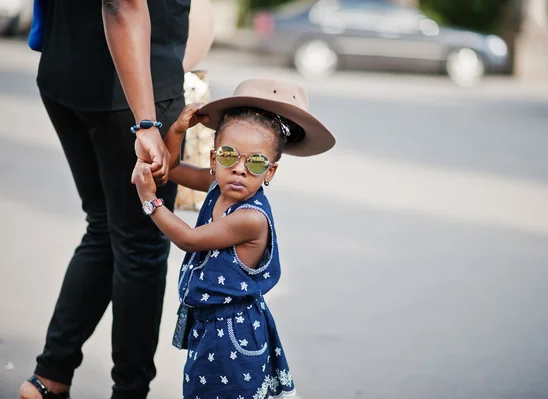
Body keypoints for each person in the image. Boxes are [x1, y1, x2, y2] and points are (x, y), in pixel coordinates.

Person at [19, 0, 213, 398]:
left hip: (66, 71)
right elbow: (122, 5)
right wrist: (145, 122)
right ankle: (129, 391)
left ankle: (49, 378)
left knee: (105, 228)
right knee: (140, 245)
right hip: (132, 94)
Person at [130, 78, 335, 398]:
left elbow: (188, 238)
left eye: (255, 163)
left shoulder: (250, 219)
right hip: (208, 328)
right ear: (213, 161)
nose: (239, 169)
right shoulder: (218, 185)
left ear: (271, 172)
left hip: (232, 335)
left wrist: (150, 200)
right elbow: (170, 168)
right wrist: (178, 130)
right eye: (229, 156)